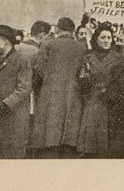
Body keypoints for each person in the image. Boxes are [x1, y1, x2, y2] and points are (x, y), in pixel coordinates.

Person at [31, 16, 85, 158]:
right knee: (69, 138)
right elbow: (83, 72)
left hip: (50, 94)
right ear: (73, 31)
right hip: (73, 95)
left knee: (49, 136)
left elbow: (39, 69)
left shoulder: (47, 45)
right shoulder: (81, 47)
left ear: (57, 29)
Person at [0, 25, 32, 159]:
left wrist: (6, 105)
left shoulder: (21, 60)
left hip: (14, 118)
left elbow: (24, 88)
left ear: (6, 41)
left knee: (13, 154)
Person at [76, 23, 121, 158]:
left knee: (107, 138)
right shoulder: (88, 58)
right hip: (92, 99)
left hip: (110, 100)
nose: (106, 40)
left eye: (109, 37)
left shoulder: (118, 57)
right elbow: (81, 80)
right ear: (96, 39)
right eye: (103, 37)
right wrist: (85, 78)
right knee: (89, 137)